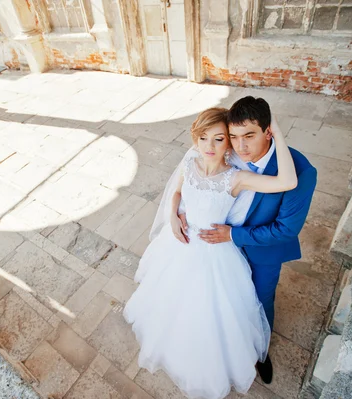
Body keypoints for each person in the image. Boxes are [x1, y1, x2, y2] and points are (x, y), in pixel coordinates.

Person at [123, 107, 297, 399]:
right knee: (174, 302)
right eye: (204, 138)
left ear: (229, 143)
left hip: (215, 254)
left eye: (218, 139)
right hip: (181, 244)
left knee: (214, 312)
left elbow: (287, 182)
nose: (209, 147)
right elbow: (177, 192)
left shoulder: (236, 178)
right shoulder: (191, 161)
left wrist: (276, 131)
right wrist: (173, 217)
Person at [197, 97, 318, 383]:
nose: (240, 146)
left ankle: (260, 352)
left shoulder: (300, 171)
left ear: (268, 131)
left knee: (260, 301)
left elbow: (285, 230)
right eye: (234, 137)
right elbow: (195, 177)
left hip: (261, 251)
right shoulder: (226, 150)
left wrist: (233, 235)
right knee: (221, 297)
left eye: (249, 136)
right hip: (218, 246)